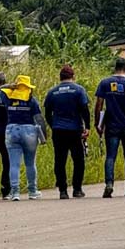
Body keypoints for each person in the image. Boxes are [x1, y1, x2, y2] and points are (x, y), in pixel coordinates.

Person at [94, 57, 125, 198]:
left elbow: (99, 104)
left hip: (111, 126)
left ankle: (109, 184)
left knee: (110, 156)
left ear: (115, 68)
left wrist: (98, 123)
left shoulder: (105, 83)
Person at [43, 65, 90, 200]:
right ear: (73, 76)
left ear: (60, 77)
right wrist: (87, 126)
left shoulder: (52, 92)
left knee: (60, 160)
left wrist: (53, 126)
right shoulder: (79, 90)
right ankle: (77, 189)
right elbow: (84, 109)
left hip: (58, 130)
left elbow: (47, 113)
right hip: (75, 130)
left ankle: (63, 190)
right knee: (78, 160)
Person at [2, 75, 45, 201]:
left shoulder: (9, 98)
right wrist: (44, 135)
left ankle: (15, 192)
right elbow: (38, 118)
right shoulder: (32, 100)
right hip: (29, 131)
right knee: (30, 163)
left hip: (11, 130)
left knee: (14, 164)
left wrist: (10, 86)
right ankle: (32, 191)